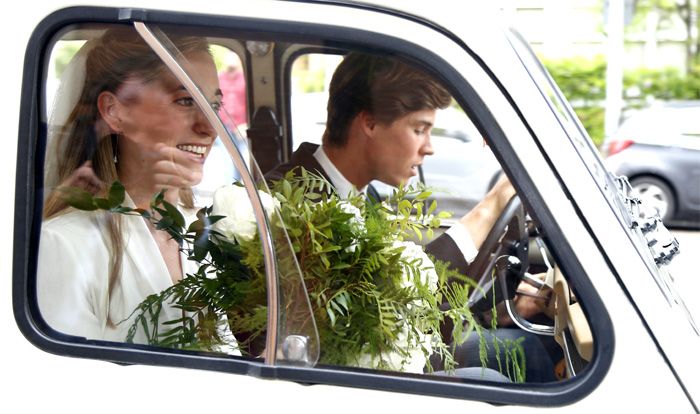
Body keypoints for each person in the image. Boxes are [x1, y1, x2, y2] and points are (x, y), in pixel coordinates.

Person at [266, 52, 554, 381]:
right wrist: (491, 206)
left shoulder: (359, 192)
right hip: (356, 371)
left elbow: (401, 292)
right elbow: (392, 306)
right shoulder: (299, 202)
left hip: (393, 346)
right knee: (510, 366)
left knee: (525, 347)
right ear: (370, 123)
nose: (429, 147)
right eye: (419, 129)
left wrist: (492, 311)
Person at [37, 27, 235, 349]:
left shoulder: (204, 228)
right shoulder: (64, 246)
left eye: (213, 105)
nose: (210, 127)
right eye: (186, 100)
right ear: (115, 112)